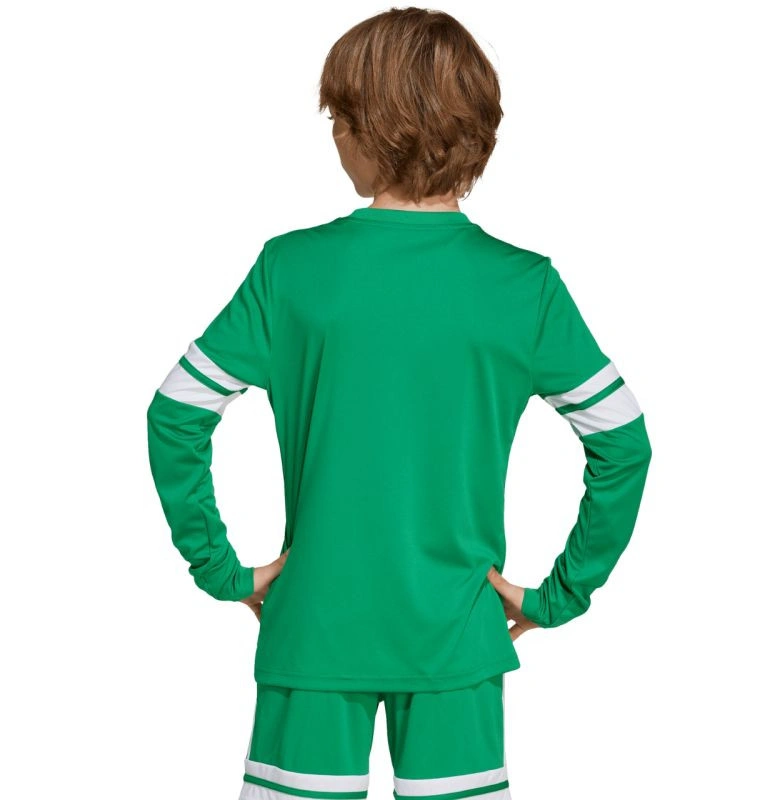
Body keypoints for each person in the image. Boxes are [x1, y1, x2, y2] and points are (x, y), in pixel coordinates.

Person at [146, 7, 652, 799]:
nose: (333, 137)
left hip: (314, 630)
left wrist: (223, 571)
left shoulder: (291, 271)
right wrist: (561, 594)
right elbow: (624, 440)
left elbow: (176, 412)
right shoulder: (524, 287)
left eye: (336, 119)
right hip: (458, 636)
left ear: (365, 132)